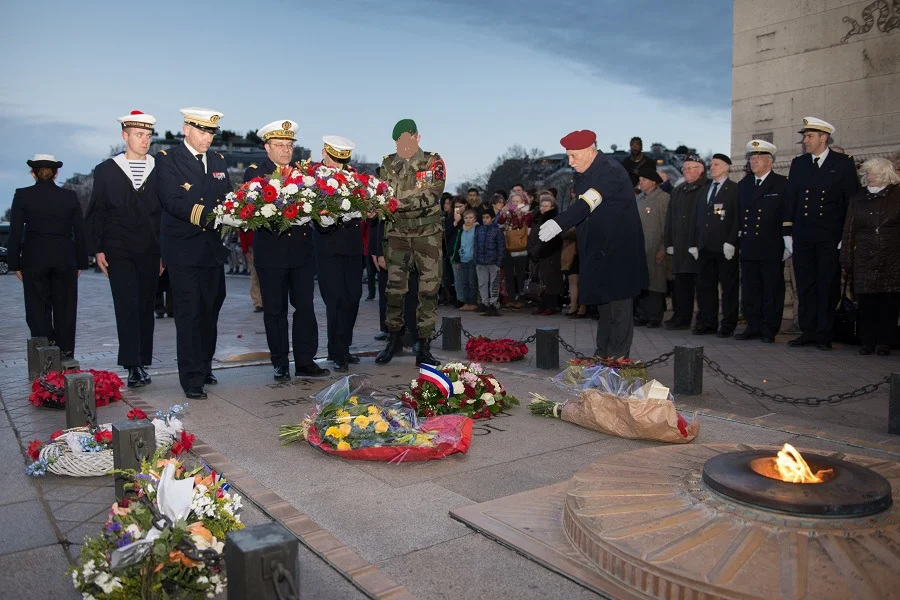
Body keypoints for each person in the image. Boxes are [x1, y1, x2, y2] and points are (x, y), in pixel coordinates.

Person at [539, 130, 648, 358]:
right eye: (568, 156)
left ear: (590, 151)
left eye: (574, 156)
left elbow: (589, 201)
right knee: (603, 304)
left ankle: (618, 356)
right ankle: (603, 352)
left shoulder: (611, 170)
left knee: (619, 303)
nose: (570, 162)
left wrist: (559, 223)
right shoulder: (582, 171)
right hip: (597, 247)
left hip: (618, 248)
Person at [156, 108, 231, 399]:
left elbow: (227, 195)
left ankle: (204, 364)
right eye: (202, 131)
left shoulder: (217, 160)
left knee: (210, 308)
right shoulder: (167, 160)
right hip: (183, 248)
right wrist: (212, 217)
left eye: (211, 132)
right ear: (186, 128)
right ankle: (191, 378)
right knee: (189, 313)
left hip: (211, 249)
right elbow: (172, 201)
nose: (207, 138)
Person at [84, 110, 162, 387]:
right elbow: (97, 211)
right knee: (126, 304)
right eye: (139, 135)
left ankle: (143, 359)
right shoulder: (106, 170)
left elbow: (164, 212)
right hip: (118, 248)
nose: (145, 140)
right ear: (124, 135)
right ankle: (133, 365)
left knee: (145, 306)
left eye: (148, 135)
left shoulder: (159, 168)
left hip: (151, 248)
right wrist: (98, 249)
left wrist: (164, 251)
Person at [246, 120, 328, 381]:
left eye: (289, 145)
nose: (285, 150)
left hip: (301, 251)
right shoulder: (254, 174)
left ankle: (305, 360)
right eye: (279, 145)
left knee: (305, 307)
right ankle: (280, 361)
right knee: (275, 310)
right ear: (267, 147)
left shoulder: (303, 174)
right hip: (272, 252)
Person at [784, 117, 859, 351]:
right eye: (805, 137)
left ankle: (824, 333)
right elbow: (791, 198)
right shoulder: (799, 163)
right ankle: (808, 331)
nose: (805, 141)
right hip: (804, 235)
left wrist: (845, 236)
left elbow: (851, 202)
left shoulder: (843, 163)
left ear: (823, 137)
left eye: (809, 136)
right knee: (805, 285)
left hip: (830, 237)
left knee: (827, 285)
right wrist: (788, 231)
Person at [375, 119, 445, 366]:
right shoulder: (386, 164)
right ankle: (393, 339)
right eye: (398, 141)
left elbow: (432, 194)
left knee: (428, 291)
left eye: (406, 139)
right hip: (397, 236)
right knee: (394, 291)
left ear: (417, 137)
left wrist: (397, 204)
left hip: (427, 236)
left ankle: (423, 346)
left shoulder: (433, 162)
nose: (402, 145)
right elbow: (380, 196)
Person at [8, 154, 88, 358]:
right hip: (64, 258)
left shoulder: (22, 195)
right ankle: (65, 353)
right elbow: (80, 231)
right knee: (65, 309)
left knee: (37, 308)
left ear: (33, 174)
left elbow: (15, 232)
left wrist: (14, 263)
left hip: (34, 259)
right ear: (56, 173)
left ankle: (45, 354)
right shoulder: (69, 197)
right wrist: (80, 261)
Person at [313, 135, 364, 372]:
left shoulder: (355, 177)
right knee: (336, 300)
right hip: (328, 246)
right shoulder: (313, 177)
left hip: (353, 246)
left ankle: (345, 346)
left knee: (353, 297)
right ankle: (337, 351)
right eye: (334, 159)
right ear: (325, 152)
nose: (338, 165)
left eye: (342, 160)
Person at [840, 157, 900, 356]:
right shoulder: (858, 198)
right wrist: (846, 258)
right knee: (866, 303)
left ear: (885, 174)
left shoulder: (897, 196)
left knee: (888, 302)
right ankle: (867, 341)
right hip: (864, 257)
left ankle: (885, 342)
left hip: (891, 257)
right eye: (867, 172)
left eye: (873, 172)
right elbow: (849, 229)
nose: (869, 176)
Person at [736, 140, 789, 343]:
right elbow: (740, 215)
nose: (753, 161)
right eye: (751, 158)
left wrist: (787, 239)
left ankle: (769, 329)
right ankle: (753, 325)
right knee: (750, 289)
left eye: (758, 158)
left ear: (770, 162)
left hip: (771, 245)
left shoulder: (782, 184)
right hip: (749, 245)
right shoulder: (744, 184)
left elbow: (787, 213)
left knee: (771, 290)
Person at [690, 153, 739, 337]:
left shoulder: (734, 189)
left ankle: (727, 325)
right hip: (705, 247)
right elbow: (697, 217)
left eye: (716, 164)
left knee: (728, 288)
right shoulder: (705, 189)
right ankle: (708, 323)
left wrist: (731, 241)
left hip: (724, 247)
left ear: (727, 167)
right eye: (711, 164)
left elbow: (737, 217)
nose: (712, 167)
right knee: (705, 287)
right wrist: (694, 243)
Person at [664, 154, 708, 329]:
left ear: (700, 170)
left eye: (690, 168)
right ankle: (681, 317)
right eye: (684, 168)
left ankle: (703, 320)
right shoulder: (678, 190)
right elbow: (670, 219)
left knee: (702, 285)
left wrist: (699, 243)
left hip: (697, 246)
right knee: (681, 284)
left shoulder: (706, 188)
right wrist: (669, 242)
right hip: (680, 245)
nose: (686, 171)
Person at [634, 165, 670, 328]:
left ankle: (655, 316)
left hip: (655, 248)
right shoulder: (639, 199)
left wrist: (663, 247)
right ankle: (642, 315)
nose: (640, 183)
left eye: (643, 180)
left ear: (654, 182)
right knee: (641, 283)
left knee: (656, 283)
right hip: (640, 249)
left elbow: (667, 226)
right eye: (640, 180)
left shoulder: (663, 198)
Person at [529, 194, 563, 315]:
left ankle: (551, 306)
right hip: (538, 253)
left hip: (549, 254)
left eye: (546, 206)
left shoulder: (554, 219)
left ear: (552, 207)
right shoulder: (537, 217)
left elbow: (554, 240)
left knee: (551, 280)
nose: (543, 208)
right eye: (542, 205)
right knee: (540, 280)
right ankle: (541, 305)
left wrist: (538, 251)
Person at [497, 190, 532, 307]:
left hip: (520, 247)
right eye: (513, 201)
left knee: (520, 274)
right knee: (508, 274)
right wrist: (503, 214)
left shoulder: (527, 213)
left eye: (518, 201)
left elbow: (523, 227)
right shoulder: (507, 212)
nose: (516, 203)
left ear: (523, 201)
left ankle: (521, 297)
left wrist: (517, 215)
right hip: (508, 246)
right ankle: (511, 298)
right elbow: (500, 224)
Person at [474, 208, 504, 316]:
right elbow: (476, 245)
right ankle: (484, 303)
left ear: (492, 218)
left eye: (487, 217)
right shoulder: (479, 230)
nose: (484, 220)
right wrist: (476, 260)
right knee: (482, 284)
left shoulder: (497, 231)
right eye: (483, 218)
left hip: (493, 262)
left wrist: (499, 262)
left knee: (494, 284)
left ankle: (493, 304)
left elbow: (501, 247)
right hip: (481, 262)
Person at [452, 208, 479, 310]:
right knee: (464, 283)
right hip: (463, 260)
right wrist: (457, 259)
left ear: (475, 219)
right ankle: (466, 303)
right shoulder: (461, 230)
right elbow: (457, 245)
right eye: (466, 218)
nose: (468, 220)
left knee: (472, 282)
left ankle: (473, 303)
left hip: (472, 259)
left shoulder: (477, 229)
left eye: (470, 218)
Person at [239, 229, 262, 311]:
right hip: (252, 246)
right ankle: (258, 302)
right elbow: (242, 229)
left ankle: (266, 300)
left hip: (266, 245)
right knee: (255, 275)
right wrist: (245, 249)